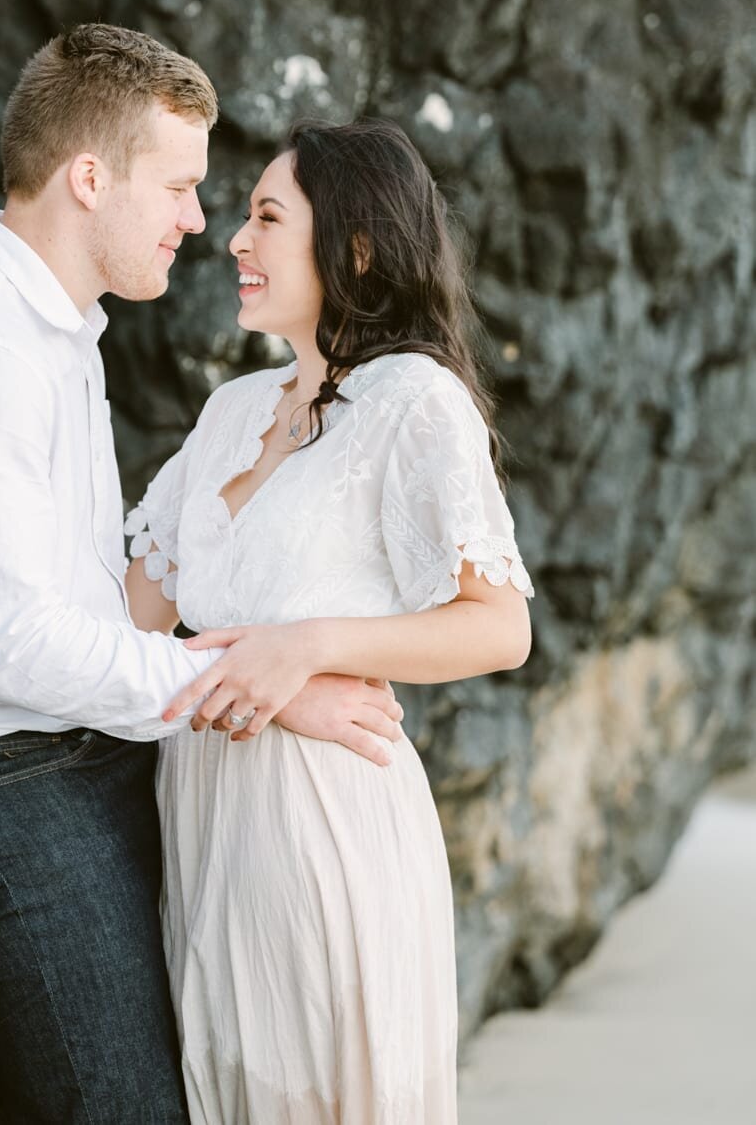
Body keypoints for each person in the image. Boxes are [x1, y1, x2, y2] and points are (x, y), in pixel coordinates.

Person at [0, 26, 406, 1125]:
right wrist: (269, 685)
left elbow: (93, 607)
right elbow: (18, 646)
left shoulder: (54, 339)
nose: (198, 217)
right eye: (179, 185)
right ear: (90, 179)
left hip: (60, 755)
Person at [123, 117, 535, 1125]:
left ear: (353, 247)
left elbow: (499, 626)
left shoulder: (413, 402)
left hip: (330, 823)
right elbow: (127, 621)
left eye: (268, 216)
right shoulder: (229, 412)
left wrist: (309, 648)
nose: (235, 240)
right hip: (207, 816)